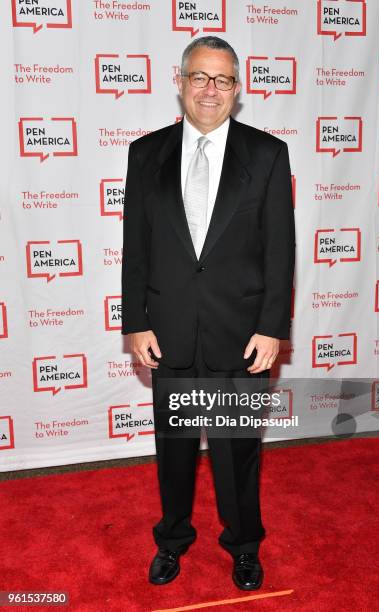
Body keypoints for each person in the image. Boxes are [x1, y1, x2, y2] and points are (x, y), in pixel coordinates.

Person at [121, 36, 295, 590]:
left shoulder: (267, 154)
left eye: (222, 80)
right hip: (168, 331)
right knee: (173, 453)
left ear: (237, 89)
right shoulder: (144, 154)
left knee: (237, 454)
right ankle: (172, 539)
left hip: (241, 336)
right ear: (179, 82)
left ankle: (244, 545)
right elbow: (137, 248)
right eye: (200, 77)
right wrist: (136, 321)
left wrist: (272, 328)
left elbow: (279, 250)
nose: (210, 90)